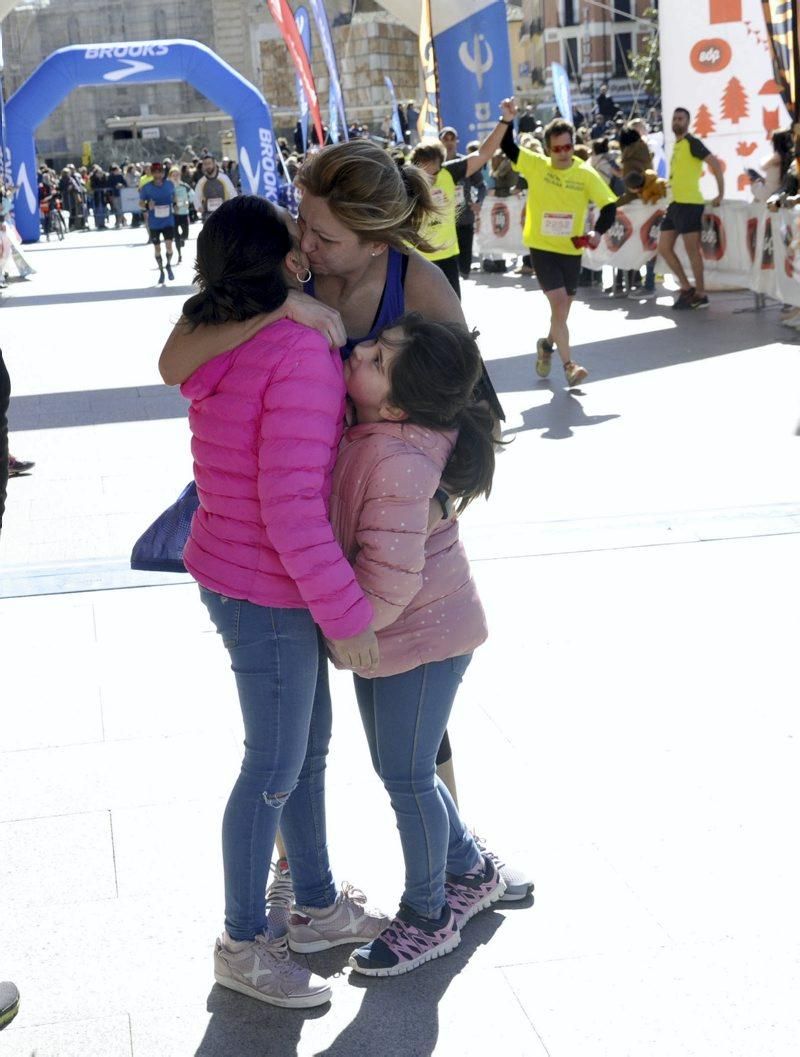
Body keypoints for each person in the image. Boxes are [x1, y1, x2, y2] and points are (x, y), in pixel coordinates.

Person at [159, 139, 531, 904]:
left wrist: (419, 507)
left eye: (326, 236)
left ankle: (457, 860)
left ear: (378, 239)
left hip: (385, 524)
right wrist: (274, 308)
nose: (307, 243)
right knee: (301, 726)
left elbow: (475, 412)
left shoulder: (419, 287)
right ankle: (303, 866)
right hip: (290, 532)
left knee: (412, 703)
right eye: (304, 222)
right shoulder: (286, 274)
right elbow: (176, 359)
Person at [178, 195, 390, 1008]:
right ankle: (242, 939)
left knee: (304, 752)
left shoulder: (217, 333)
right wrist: (350, 615)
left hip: (246, 571)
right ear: (284, 265)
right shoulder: (297, 353)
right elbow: (293, 506)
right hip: (268, 587)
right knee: (272, 765)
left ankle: (316, 904)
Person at [331, 315, 506, 976]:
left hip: (420, 637)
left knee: (407, 774)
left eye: (374, 356)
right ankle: (469, 866)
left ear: (397, 402)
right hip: (392, 637)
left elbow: (393, 577)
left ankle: (429, 914)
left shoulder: (400, 461)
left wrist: (348, 633)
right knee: (397, 767)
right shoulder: (381, 433)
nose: (360, 351)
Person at [498, 98, 618, 387]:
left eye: (567, 147)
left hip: (570, 250)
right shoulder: (536, 165)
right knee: (559, 303)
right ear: (549, 148)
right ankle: (569, 366)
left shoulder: (585, 173)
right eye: (557, 149)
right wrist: (508, 120)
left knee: (560, 313)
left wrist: (598, 232)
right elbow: (508, 148)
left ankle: (546, 346)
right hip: (542, 248)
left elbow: (609, 206)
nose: (563, 154)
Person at [409, 117, 509, 298]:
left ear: (441, 164)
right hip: (418, 259)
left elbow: (483, 154)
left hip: (447, 255)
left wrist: (505, 121)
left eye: (434, 172)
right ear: (416, 166)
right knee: (423, 313)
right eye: (424, 173)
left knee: (453, 308)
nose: (430, 178)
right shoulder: (406, 181)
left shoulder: (449, 172)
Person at [657, 107, 725, 311]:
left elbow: (715, 164)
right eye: (675, 118)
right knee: (664, 248)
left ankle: (701, 294)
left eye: (681, 118)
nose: (677, 121)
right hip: (675, 204)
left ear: (688, 122)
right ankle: (686, 288)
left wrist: (720, 193)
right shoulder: (677, 145)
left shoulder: (692, 143)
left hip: (690, 204)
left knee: (692, 251)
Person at [139, 162, 177, 285]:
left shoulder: (169, 185)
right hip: (154, 223)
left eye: (160, 172)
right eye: (155, 172)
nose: (158, 174)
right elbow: (140, 203)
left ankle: (168, 265)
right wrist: (146, 205)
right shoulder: (146, 187)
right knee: (157, 248)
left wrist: (176, 205)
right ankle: (161, 271)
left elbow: (174, 196)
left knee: (169, 246)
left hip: (168, 221)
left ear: (163, 173)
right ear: (151, 173)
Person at [193, 154, 237, 221]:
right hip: (208, 216)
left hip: (223, 214)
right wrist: (198, 207)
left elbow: (232, 193)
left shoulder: (224, 178)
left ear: (214, 163)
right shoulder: (201, 181)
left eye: (209, 163)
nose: (207, 166)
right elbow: (196, 196)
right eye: (205, 164)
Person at [168, 166, 192, 263]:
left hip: (184, 213)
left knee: (185, 234)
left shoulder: (184, 186)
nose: (175, 177)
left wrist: (188, 202)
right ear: (170, 176)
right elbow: (164, 199)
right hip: (173, 214)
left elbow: (193, 195)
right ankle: (179, 254)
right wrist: (172, 205)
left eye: (177, 175)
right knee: (176, 236)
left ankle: (183, 239)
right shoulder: (168, 187)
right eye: (173, 175)